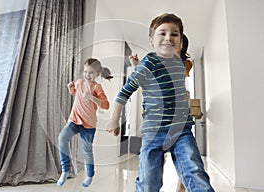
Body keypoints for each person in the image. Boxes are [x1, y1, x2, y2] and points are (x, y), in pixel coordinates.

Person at [107, 13, 215, 192]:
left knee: (195, 172)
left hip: (181, 130)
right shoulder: (149, 62)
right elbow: (128, 88)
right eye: (162, 33)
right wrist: (114, 118)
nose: (168, 38)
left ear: (180, 42)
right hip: (154, 132)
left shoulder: (181, 64)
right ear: (151, 39)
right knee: (149, 182)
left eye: (174, 34)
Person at [129, 34, 193, 192]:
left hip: (177, 113)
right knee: (153, 157)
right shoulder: (156, 60)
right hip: (155, 115)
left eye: (176, 42)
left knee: (184, 157)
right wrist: (136, 65)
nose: (170, 42)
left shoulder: (185, 63)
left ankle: (181, 186)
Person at [57, 58, 113, 187]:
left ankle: (90, 175)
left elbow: (106, 105)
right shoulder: (79, 82)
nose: (88, 75)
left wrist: (93, 97)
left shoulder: (97, 87)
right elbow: (76, 95)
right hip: (74, 119)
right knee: (62, 138)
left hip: (88, 124)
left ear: (98, 74)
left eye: (91, 73)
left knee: (87, 150)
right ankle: (65, 170)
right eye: (86, 71)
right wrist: (71, 89)